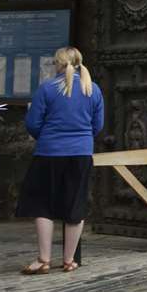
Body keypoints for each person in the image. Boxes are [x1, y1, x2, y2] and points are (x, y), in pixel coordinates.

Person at [16, 47, 104, 275]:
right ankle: (69, 260)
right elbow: (98, 125)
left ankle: (44, 259)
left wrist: (46, 136)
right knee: (76, 204)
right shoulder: (92, 89)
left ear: (58, 64)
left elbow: (33, 122)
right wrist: (82, 138)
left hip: (49, 153)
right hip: (81, 153)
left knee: (42, 204)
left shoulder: (46, 89)